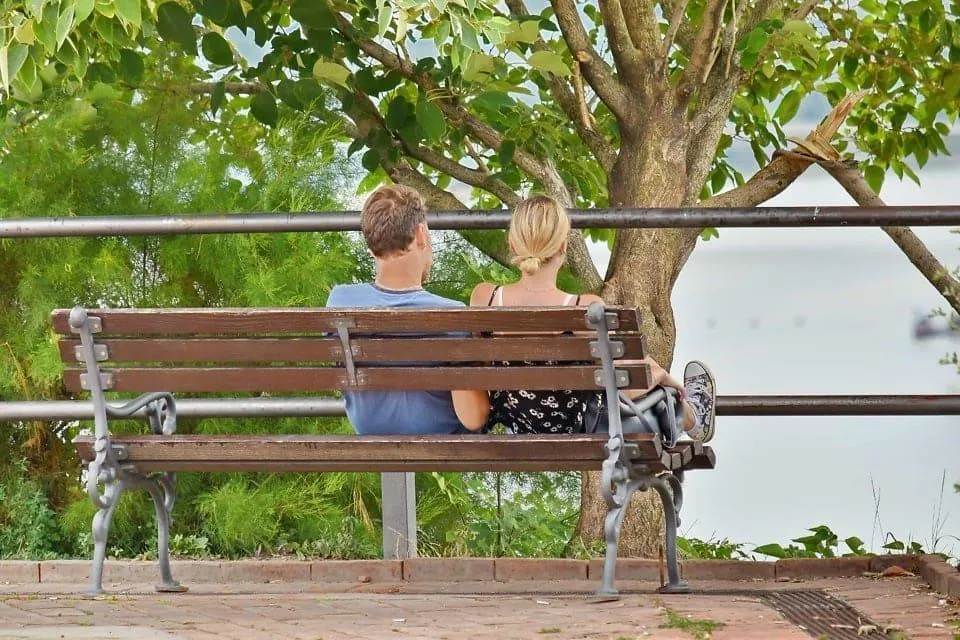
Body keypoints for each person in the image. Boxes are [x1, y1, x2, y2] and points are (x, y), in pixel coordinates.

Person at [454, 194, 717, 443]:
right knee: (633, 382)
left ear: (513, 244)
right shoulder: (585, 308)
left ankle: (686, 413)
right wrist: (662, 376)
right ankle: (692, 416)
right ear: (564, 247)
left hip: (517, 425)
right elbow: (626, 379)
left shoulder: (484, 298)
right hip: (576, 427)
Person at [326, 185, 489, 434]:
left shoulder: (339, 302)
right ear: (421, 235)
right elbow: (473, 420)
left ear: (370, 246)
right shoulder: (452, 315)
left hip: (371, 433)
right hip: (440, 442)